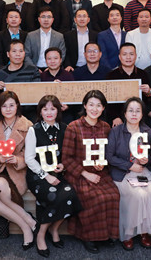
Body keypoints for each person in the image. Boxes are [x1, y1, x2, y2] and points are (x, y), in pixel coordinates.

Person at [106, 97, 151, 250]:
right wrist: (130, 165)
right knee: (138, 195)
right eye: (131, 111)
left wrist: (146, 160)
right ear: (124, 113)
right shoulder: (116, 131)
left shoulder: (147, 131)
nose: (134, 114)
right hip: (122, 173)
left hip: (142, 171)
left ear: (142, 114)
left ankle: (144, 231)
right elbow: (109, 157)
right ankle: (128, 232)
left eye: (138, 111)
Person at [62, 90, 120, 254]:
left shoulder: (106, 127)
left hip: (100, 173)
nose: (95, 109)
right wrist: (85, 173)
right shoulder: (73, 127)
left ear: (103, 108)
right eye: (91, 105)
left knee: (113, 195)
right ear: (85, 106)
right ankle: (88, 236)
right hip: (79, 174)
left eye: (99, 106)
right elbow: (66, 158)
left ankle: (106, 234)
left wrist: (103, 163)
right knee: (94, 197)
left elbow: (108, 153)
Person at [25, 95, 82, 257]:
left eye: (52, 108)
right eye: (45, 109)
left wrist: (63, 165)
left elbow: (69, 154)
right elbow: (29, 159)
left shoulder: (65, 128)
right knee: (54, 195)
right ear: (40, 111)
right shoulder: (33, 130)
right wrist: (46, 176)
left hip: (58, 173)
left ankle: (54, 229)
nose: (49, 112)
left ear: (58, 110)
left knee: (71, 195)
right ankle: (41, 234)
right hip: (38, 175)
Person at [0, 91, 37, 250]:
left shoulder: (27, 126)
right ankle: (27, 224)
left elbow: (31, 153)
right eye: (4, 106)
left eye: (11, 105)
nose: (8, 109)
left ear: (17, 106)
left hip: (16, 172)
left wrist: (18, 160)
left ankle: (27, 225)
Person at [106, 43, 151, 127]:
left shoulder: (143, 74)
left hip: (139, 116)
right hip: (118, 117)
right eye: (124, 54)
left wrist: (148, 91)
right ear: (119, 57)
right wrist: (115, 117)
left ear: (136, 56)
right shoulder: (111, 76)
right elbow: (108, 101)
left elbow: (149, 99)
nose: (128, 57)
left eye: (131, 54)